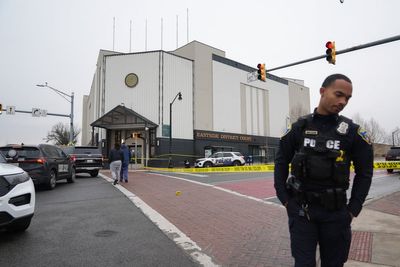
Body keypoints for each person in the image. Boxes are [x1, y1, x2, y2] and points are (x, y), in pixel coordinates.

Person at [274, 74, 373, 267]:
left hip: (336, 215)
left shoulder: (352, 131)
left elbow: (365, 173)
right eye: (338, 94)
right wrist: (286, 200)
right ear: (322, 91)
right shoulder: (299, 127)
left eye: (347, 98)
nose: (343, 101)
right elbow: (280, 162)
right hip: (302, 213)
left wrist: (353, 210)